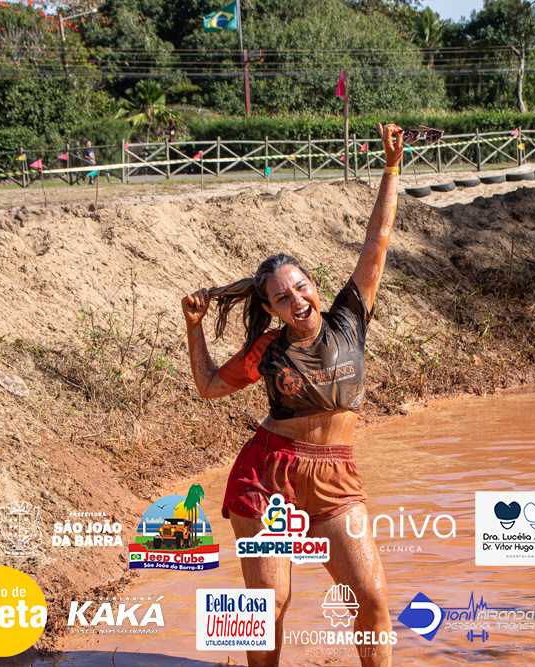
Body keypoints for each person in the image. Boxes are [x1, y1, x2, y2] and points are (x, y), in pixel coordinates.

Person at [181, 123, 404, 667]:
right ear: (272, 309)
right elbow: (209, 387)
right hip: (268, 475)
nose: (297, 300)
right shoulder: (267, 349)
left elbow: (377, 240)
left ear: (314, 286)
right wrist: (194, 327)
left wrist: (391, 168)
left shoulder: (350, 317)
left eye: (301, 287)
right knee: (270, 603)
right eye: (282, 298)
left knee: (371, 597)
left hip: (336, 477)